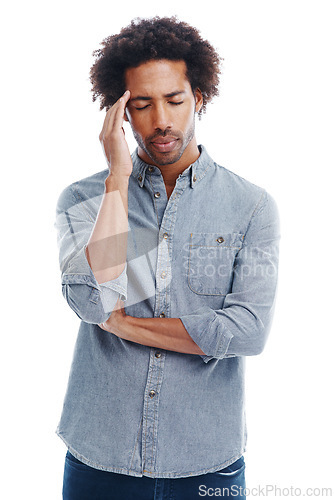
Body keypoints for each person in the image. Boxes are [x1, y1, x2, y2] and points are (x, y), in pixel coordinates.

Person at [55, 16, 280, 500]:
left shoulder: (252, 207)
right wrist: (118, 177)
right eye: (142, 104)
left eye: (175, 100)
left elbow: (247, 331)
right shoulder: (83, 199)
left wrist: (125, 324)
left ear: (198, 97)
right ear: (120, 113)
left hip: (207, 463)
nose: (161, 119)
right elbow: (94, 304)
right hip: (101, 459)